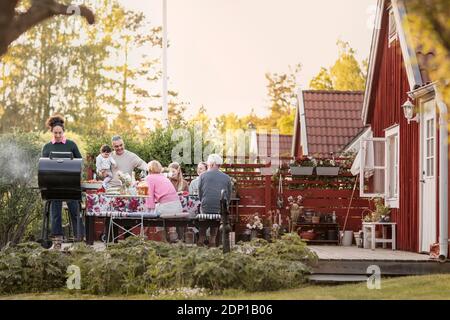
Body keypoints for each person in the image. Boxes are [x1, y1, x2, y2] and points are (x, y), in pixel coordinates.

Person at [42, 114, 84, 250]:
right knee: (55, 213)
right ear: (52, 132)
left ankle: (79, 240)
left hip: (71, 185)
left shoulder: (71, 144)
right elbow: (43, 166)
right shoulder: (47, 147)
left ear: (63, 131)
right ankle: (57, 241)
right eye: (55, 133)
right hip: (54, 186)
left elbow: (80, 162)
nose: (58, 135)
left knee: (75, 210)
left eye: (60, 132)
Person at [198, 154, 232, 247]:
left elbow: (200, 195)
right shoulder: (227, 177)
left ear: (212, 164)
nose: (208, 166)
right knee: (218, 214)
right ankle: (213, 240)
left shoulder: (202, 176)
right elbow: (228, 196)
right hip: (220, 210)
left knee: (203, 213)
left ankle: (201, 238)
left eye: (208, 164)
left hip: (206, 208)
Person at [145, 160, 183, 242]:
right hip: (177, 206)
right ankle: (173, 236)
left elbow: (149, 196)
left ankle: (163, 241)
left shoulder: (149, 178)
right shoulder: (163, 177)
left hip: (167, 207)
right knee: (163, 213)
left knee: (156, 217)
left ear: (149, 169)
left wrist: (149, 212)